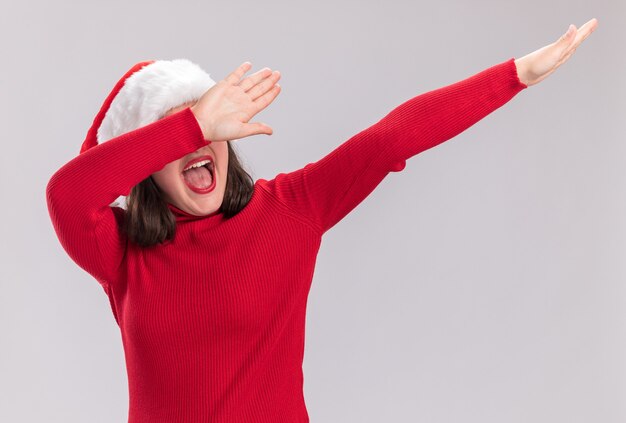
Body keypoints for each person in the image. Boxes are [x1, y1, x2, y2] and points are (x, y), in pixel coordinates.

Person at [45, 18, 598, 423]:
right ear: (145, 165)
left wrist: (516, 75)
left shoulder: (288, 209)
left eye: (212, 124)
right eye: (179, 131)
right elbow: (66, 193)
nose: (199, 139)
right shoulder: (119, 252)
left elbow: (390, 139)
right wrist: (189, 124)